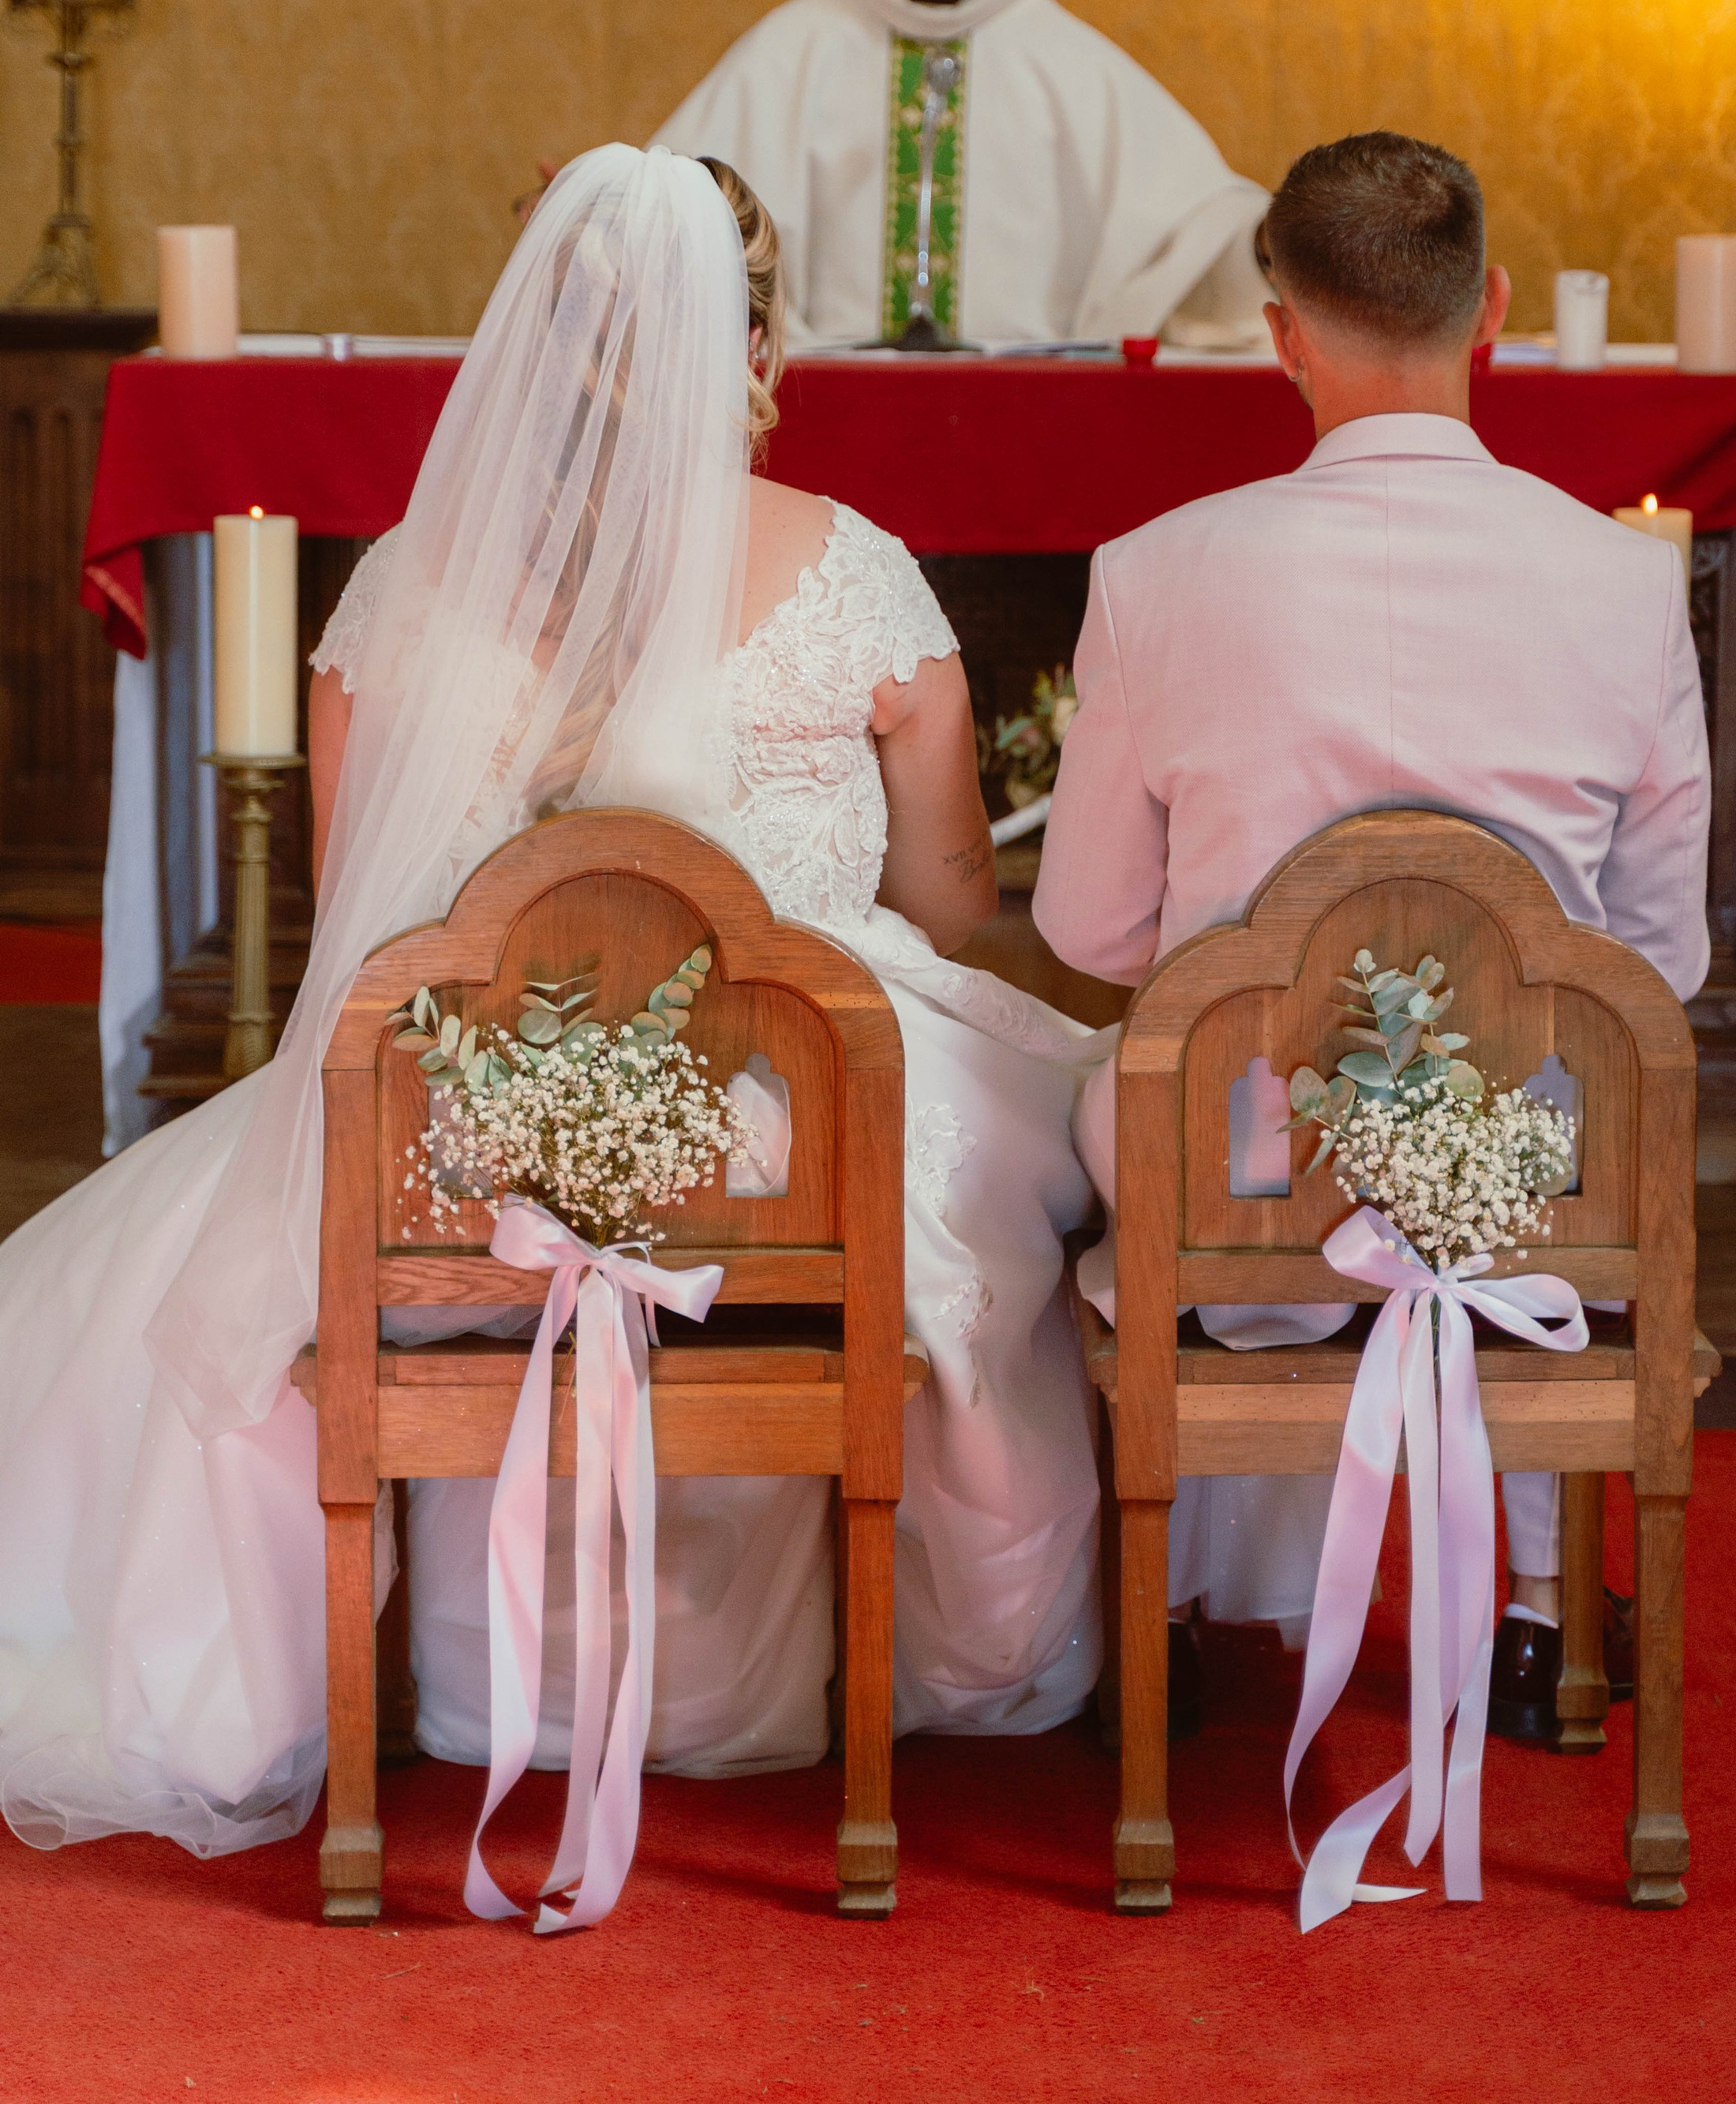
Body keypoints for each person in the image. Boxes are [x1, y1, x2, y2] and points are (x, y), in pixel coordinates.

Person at [0, 145, 1102, 1861]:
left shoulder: (398, 595)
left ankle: (391, 1671)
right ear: (752, 341)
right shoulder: (853, 574)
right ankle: (946, 1655)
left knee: (198, 1258)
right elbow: (952, 902)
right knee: (1016, 1169)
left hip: (470, 1127)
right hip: (800, 1130)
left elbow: (368, 932)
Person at [1033, 129, 1712, 1747]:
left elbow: (1085, 926)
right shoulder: (1624, 584)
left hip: (1233, 1158)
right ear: (1488, 315)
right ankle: (1543, 1627)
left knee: (1111, 1104)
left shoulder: (1150, 575)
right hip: (1533, 1161)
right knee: (1566, 1112)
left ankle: (1179, 1604)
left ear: (1281, 331)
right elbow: (1660, 962)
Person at [647, 0, 1270, 350]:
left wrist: (1260, 244)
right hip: (828, 400)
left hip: (1025, 409)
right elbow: (674, 218)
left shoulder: (1075, 66)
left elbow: (1201, 235)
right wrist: (610, 215)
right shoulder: (789, 54)